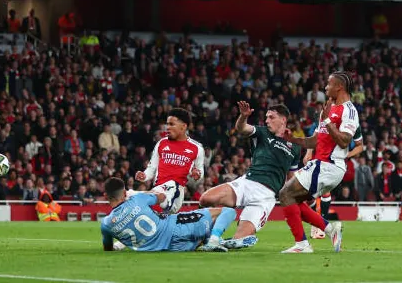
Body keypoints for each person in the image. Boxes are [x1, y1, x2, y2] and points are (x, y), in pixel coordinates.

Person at [198, 102, 300, 250]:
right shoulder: (262, 132)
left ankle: (227, 240)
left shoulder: (295, 147)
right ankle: (203, 233)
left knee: (237, 240)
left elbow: (291, 177)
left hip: (267, 196)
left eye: (271, 117)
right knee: (206, 198)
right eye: (266, 117)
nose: (267, 121)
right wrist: (243, 117)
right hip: (248, 183)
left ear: (283, 120)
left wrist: (291, 198)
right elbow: (242, 128)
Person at [280, 71, 358, 253]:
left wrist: (328, 120)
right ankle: (331, 230)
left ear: (339, 87)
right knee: (292, 199)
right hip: (320, 164)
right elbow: (315, 141)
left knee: (285, 194)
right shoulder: (328, 109)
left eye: (329, 84)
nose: (325, 87)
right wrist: (293, 139)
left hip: (329, 165)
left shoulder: (349, 110)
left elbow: (345, 141)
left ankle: (302, 245)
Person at [100, 177, 236, 252]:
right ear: (124, 193)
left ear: (105, 195)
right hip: (176, 227)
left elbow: (108, 248)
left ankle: (205, 240)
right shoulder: (137, 199)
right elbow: (161, 197)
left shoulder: (106, 224)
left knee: (198, 238)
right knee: (227, 211)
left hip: (171, 248)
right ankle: (214, 239)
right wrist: (137, 193)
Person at [135, 108, 205, 214]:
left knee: (171, 185)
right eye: (167, 124)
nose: (167, 128)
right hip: (158, 190)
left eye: (172, 124)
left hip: (176, 193)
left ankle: (134, 197)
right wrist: (144, 176)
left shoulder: (197, 148)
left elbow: (200, 172)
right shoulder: (161, 143)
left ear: (184, 126)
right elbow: (152, 168)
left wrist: (197, 174)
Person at [311, 125, 363, 239]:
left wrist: (347, 155)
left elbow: (360, 147)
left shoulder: (352, 123)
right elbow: (314, 138)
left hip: (334, 165)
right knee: (312, 193)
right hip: (318, 160)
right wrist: (308, 153)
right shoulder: (324, 119)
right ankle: (318, 224)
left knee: (324, 191)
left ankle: (320, 225)